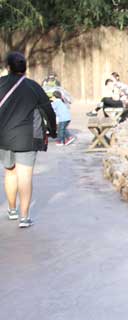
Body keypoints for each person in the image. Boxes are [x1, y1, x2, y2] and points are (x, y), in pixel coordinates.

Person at [0, 52, 57, 228]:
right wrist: (53, 131)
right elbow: (48, 110)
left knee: (10, 172)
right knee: (25, 176)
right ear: (25, 67)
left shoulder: (0, 84)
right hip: (27, 138)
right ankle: (24, 218)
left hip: (3, 137)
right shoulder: (33, 87)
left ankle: (11, 210)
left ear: (8, 67)